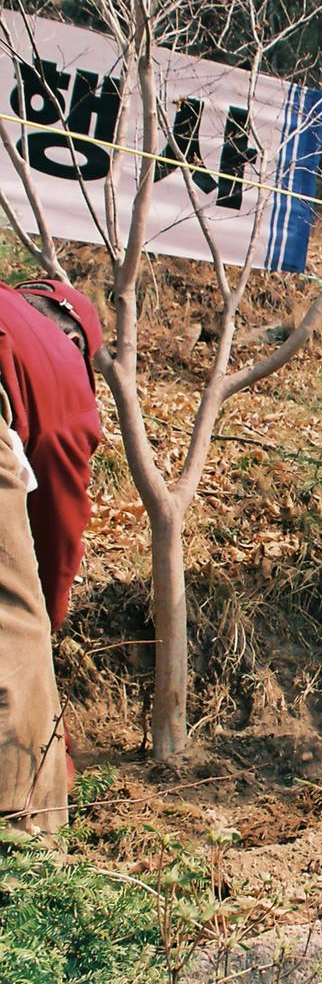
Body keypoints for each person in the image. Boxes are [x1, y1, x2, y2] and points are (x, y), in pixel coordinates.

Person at [0, 277, 103, 833]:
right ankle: (24, 844)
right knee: (15, 629)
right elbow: (59, 525)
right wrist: (48, 614)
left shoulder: (11, 319)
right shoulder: (58, 361)